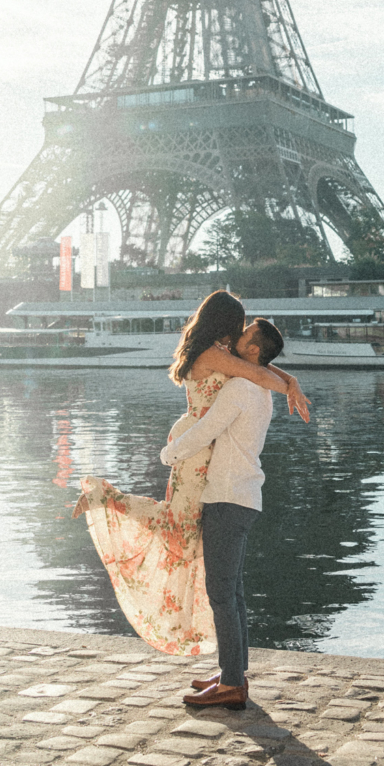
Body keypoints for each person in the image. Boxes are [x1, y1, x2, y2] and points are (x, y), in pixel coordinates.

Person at [73, 290, 308, 656]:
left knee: (182, 535)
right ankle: (105, 496)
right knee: (177, 532)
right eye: (238, 328)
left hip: (199, 449)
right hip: (195, 452)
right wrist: (289, 384)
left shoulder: (214, 350)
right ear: (225, 325)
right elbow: (259, 374)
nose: (240, 334)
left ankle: (232, 671)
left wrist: (289, 377)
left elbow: (259, 367)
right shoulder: (215, 354)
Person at [159, 315, 285, 710]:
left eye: (244, 337)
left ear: (253, 351)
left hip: (226, 499)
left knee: (221, 596)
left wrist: (169, 453)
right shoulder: (259, 390)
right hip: (244, 497)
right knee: (234, 593)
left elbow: (206, 429)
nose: (234, 340)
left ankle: (232, 684)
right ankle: (234, 672)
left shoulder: (241, 388)